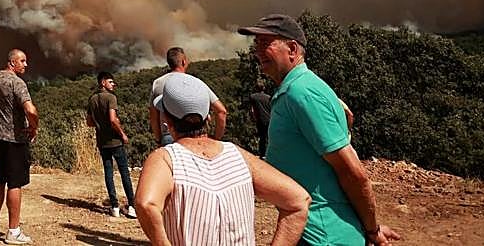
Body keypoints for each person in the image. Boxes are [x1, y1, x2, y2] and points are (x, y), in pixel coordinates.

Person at [238, 14, 401, 245]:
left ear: (292, 49)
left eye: (265, 43)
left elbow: (352, 172)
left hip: (325, 235)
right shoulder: (296, 90)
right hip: (316, 230)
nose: (257, 51)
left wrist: (372, 229)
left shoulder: (302, 93)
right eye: (256, 44)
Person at [135, 73, 311, 246]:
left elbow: (146, 204)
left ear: (166, 120)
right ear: (208, 118)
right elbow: (298, 201)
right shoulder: (238, 155)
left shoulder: (166, 159)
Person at [0, 49, 38, 244]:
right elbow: (30, 109)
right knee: (15, 183)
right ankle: (13, 231)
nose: (25, 64)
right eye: (22, 61)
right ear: (12, 62)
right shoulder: (17, 82)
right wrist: (33, 127)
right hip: (14, 140)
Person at [148, 47, 227, 144]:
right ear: (184, 62)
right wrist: (216, 138)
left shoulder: (158, 83)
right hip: (197, 135)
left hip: (169, 135)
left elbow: (153, 115)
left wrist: (159, 139)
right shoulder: (195, 82)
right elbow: (221, 111)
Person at [85, 72, 136, 218]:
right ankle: (132, 206)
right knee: (124, 172)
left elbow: (89, 122)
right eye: (111, 82)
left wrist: (100, 125)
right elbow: (113, 120)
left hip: (102, 141)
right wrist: (122, 134)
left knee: (108, 172)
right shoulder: (111, 98)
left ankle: (114, 207)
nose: (114, 84)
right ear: (103, 82)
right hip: (115, 141)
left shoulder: (92, 99)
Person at [249, 87, 272, 157]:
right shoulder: (269, 98)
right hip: (269, 119)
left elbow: (252, 110)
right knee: (269, 137)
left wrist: (254, 118)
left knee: (262, 138)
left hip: (260, 119)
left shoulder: (253, 97)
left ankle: (262, 154)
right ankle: (270, 154)